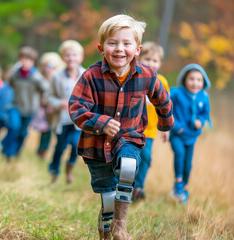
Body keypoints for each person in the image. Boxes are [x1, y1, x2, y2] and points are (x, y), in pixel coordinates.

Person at [68, 14, 174, 239]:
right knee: (107, 198)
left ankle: (121, 225)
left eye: (126, 43)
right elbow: (76, 108)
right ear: (101, 47)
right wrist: (101, 122)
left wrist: (166, 124)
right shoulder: (90, 76)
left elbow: (162, 99)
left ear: (137, 49)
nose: (119, 49)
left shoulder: (147, 75)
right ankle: (106, 231)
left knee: (128, 167)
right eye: (112, 43)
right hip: (96, 146)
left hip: (129, 138)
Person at [132, 42, 171, 202]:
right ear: (139, 58)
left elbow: (165, 108)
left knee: (146, 157)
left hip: (149, 131)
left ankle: (138, 187)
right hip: (130, 128)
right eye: (147, 59)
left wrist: (166, 129)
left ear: (160, 63)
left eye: (155, 61)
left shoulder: (161, 81)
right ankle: (124, 184)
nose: (150, 63)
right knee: (129, 158)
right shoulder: (134, 77)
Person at [169, 64, 211, 204]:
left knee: (188, 164)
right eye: (191, 79)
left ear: (203, 82)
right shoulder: (176, 93)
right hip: (177, 133)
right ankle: (179, 184)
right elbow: (167, 108)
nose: (195, 83)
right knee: (179, 154)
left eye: (199, 80)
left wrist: (201, 120)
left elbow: (205, 112)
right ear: (184, 80)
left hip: (191, 136)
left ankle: (182, 187)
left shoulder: (203, 96)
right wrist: (176, 126)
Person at [46, 42, 85, 184]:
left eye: (74, 55)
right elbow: (49, 96)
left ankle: (69, 168)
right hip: (61, 119)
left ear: (80, 57)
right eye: (68, 55)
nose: (71, 58)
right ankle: (54, 173)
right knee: (60, 147)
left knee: (77, 145)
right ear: (63, 57)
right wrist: (59, 103)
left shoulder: (85, 75)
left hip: (78, 120)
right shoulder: (57, 76)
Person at [1, 46, 48, 161]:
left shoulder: (36, 77)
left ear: (33, 62)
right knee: (13, 127)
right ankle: (8, 152)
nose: (25, 62)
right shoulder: (14, 74)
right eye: (23, 59)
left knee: (22, 132)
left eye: (29, 60)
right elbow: (11, 84)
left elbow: (46, 89)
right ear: (19, 59)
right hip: (15, 106)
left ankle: (17, 151)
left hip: (30, 109)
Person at [31, 52, 65, 160]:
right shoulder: (38, 79)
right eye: (47, 65)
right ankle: (41, 151)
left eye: (52, 66)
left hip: (55, 110)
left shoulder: (59, 80)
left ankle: (46, 151)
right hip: (41, 110)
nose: (49, 69)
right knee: (45, 131)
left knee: (52, 131)